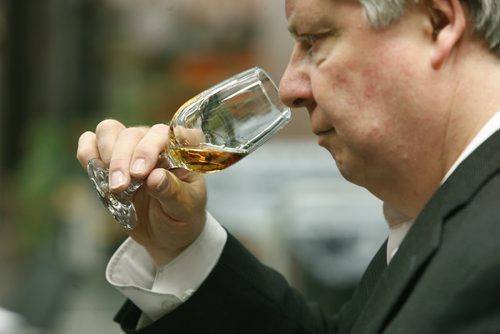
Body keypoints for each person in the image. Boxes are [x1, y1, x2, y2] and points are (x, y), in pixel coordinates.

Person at [76, 0, 500, 332]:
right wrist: (182, 250)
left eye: (315, 40)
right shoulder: (449, 207)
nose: (290, 90)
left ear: (438, 23)